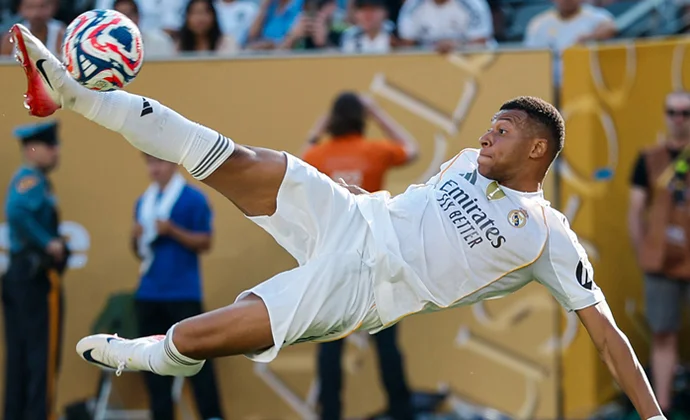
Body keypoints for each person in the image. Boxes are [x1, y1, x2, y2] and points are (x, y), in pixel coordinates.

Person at [10, 23, 665, 420]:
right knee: (237, 158)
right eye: (490, 125)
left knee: (201, 335)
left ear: (538, 149)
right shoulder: (468, 160)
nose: (487, 136)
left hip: (366, 287)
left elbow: (609, 339)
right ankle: (73, 94)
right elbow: (419, 201)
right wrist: (353, 191)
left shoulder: (548, 238)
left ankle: (157, 357)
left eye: (504, 130)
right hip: (354, 216)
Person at [302, 92, 418, 420]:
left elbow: (293, 169)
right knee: (386, 341)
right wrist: (378, 114)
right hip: (375, 255)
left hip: (334, 259)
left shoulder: (318, 155)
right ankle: (402, 411)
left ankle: (330, 414)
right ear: (361, 119)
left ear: (333, 120)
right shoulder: (375, 151)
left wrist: (318, 129)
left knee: (330, 342)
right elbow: (411, 149)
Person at [131, 154, 224, 420]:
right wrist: (135, 238)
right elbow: (140, 252)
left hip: (183, 293)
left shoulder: (193, 198)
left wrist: (173, 230)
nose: (154, 169)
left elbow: (205, 242)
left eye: (159, 162)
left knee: (198, 365)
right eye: (150, 163)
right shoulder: (144, 201)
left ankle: (212, 415)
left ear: (173, 163)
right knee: (153, 369)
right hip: (149, 294)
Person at [628, 91, 690, 415]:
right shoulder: (649, 158)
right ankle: (662, 407)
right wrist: (644, 251)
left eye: (685, 113)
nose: (679, 119)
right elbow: (636, 210)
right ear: (665, 115)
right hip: (661, 261)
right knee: (662, 332)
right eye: (673, 112)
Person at [2, 120, 68, 420]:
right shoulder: (32, 181)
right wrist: (48, 243)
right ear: (32, 149)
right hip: (35, 278)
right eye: (50, 145)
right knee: (42, 355)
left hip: (20, 275)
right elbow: (15, 212)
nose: (56, 151)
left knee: (19, 356)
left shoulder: (29, 180)